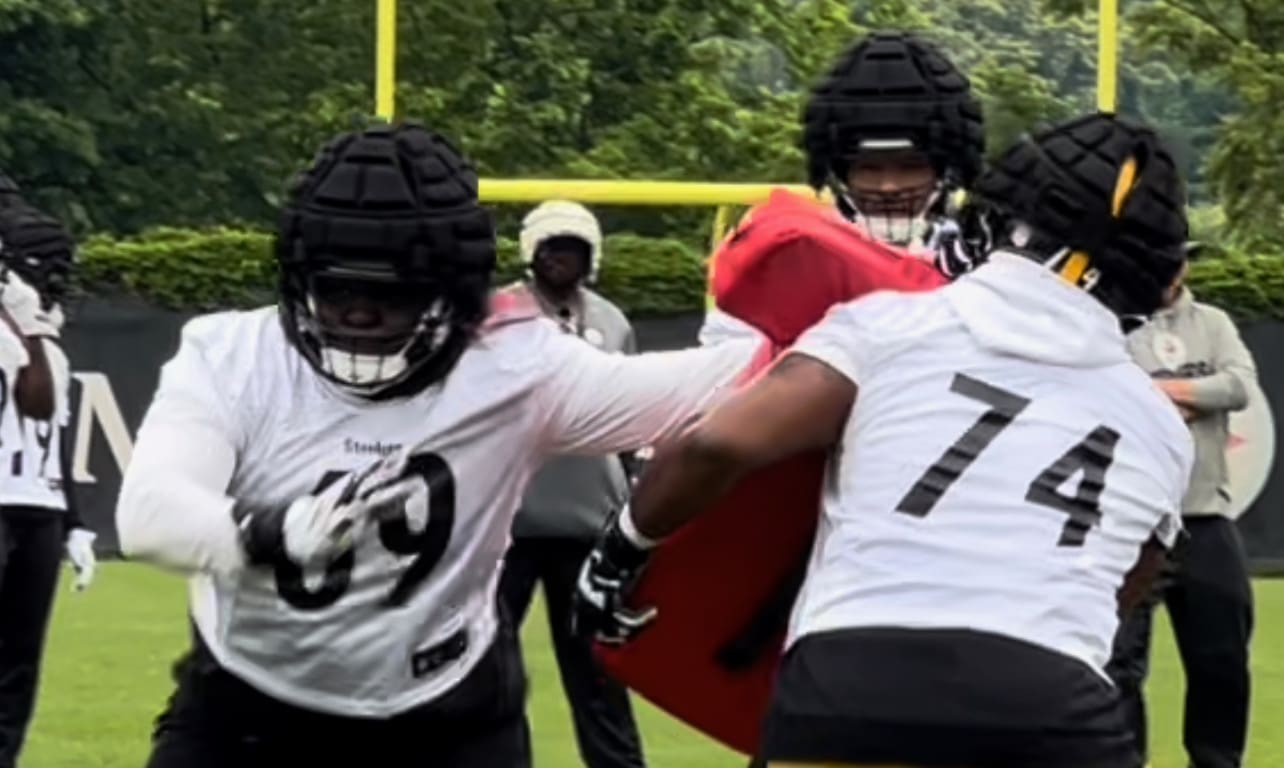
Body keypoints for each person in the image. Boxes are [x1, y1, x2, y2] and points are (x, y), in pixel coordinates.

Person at [114, 122, 761, 768]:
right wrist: (270, 533)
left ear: (451, 292)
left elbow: (709, 388)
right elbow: (148, 513)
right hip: (249, 705)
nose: (358, 314)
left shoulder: (513, 366)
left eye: (388, 293)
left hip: (445, 716)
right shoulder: (232, 354)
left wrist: (773, 311)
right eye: (337, 288)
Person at [576, 112, 1196, 768]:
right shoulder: (1158, 425)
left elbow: (719, 445)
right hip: (1048, 708)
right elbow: (1126, 587)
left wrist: (621, 549)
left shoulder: (890, 326)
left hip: (849, 681)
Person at [700, 31, 986, 347]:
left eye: (910, 166)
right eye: (868, 168)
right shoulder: (793, 256)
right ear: (840, 172)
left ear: (944, 171)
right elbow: (730, 362)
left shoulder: (984, 260)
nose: (888, 186)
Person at [497, 200, 647, 768]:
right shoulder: (498, 316)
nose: (562, 259)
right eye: (552, 247)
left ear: (592, 257)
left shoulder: (611, 321)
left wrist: (636, 501)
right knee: (489, 669)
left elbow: (634, 416)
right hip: (506, 526)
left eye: (574, 249)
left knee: (599, 672)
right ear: (531, 251)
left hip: (589, 526)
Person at [1106, 243, 1257, 768]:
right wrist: (1187, 395)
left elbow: (1239, 385)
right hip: (1130, 521)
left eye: (1178, 259)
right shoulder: (1107, 321)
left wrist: (1165, 391)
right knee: (1119, 665)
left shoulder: (1212, 321)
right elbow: (1109, 393)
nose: (1171, 269)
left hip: (1205, 514)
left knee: (1221, 658)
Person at [0, 205, 67, 768]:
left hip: (36, 503)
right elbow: (33, 397)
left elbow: (49, 426)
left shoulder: (44, 332)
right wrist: (29, 333)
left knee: (20, 663)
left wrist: (77, 524)